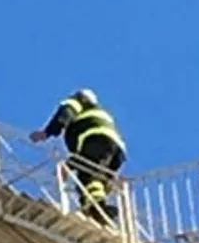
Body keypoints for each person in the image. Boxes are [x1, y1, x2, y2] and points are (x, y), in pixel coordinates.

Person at [30, 88, 127, 227]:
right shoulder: (102, 113)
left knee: (86, 177)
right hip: (117, 151)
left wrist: (47, 132)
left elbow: (65, 113)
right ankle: (100, 210)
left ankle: (96, 210)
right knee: (96, 180)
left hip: (95, 142)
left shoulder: (77, 102)